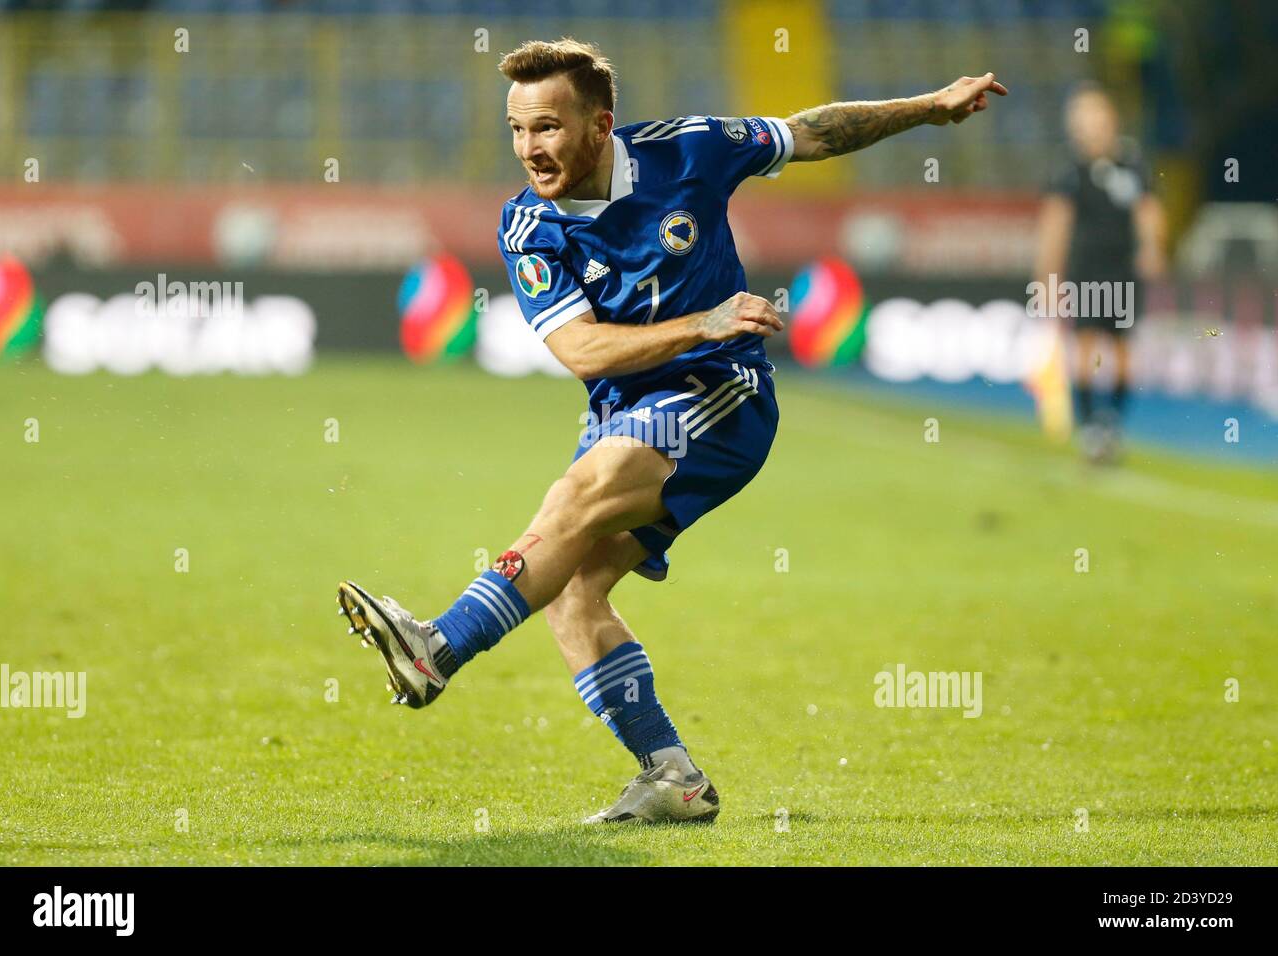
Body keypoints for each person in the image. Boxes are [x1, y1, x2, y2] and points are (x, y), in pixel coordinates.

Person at [337, 38, 1006, 824]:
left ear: (600, 125)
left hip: (721, 394)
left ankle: (437, 650)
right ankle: (673, 779)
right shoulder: (528, 228)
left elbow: (813, 131)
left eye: (547, 128)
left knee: (575, 495)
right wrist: (704, 319)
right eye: (517, 131)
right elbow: (581, 350)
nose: (530, 149)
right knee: (572, 591)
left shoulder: (688, 151)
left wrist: (929, 107)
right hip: (625, 411)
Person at [1035, 82, 1166, 462]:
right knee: (1087, 346)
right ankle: (1091, 426)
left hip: (1124, 269)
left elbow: (1147, 209)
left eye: (1095, 115)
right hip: (1088, 270)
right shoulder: (1070, 172)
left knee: (1124, 350)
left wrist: (1152, 246)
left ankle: (1113, 423)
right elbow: (1054, 226)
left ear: (1110, 120)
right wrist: (1047, 278)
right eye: (1081, 118)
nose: (1088, 125)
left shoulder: (1132, 163)